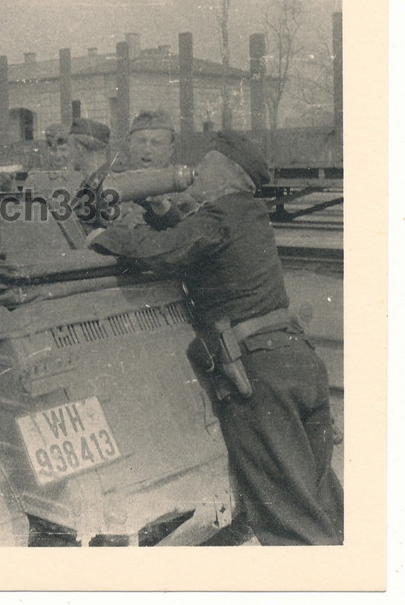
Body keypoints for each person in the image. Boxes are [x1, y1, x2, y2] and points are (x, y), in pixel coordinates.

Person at [87, 131, 343, 545]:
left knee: (288, 518)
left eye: (203, 167)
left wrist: (106, 237)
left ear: (225, 174)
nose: (194, 175)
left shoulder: (220, 216)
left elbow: (163, 250)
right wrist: (163, 210)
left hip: (260, 376)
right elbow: (196, 240)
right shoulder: (246, 213)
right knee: (320, 498)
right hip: (298, 362)